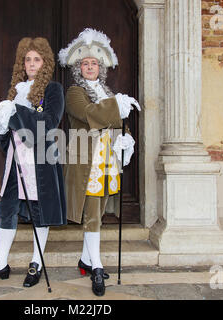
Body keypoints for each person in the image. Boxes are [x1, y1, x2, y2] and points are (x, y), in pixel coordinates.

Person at [0, 37, 66, 288]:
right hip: (15, 160)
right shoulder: (15, 90)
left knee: (40, 212)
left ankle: (36, 263)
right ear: (22, 63)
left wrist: (15, 114)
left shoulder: (53, 89)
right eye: (28, 59)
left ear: (45, 62)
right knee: (7, 209)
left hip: (41, 161)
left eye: (37, 59)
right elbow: (6, 133)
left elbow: (49, 123)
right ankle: (1, 263)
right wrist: (3, 124)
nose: (32, 64)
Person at [58, 28, 141, 296]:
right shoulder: (74, 92)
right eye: (85, 63)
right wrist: (118, 107)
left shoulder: (106, 92)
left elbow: (114, 124)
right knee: (92, 215)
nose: (90, 66)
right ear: (78, 68)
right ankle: (96, 267)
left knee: (99, 212)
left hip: (107, 160)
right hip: (87, 161)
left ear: (100, 67)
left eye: (94, 63)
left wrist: (124, 138)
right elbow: (88, 114)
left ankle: (85, 260)